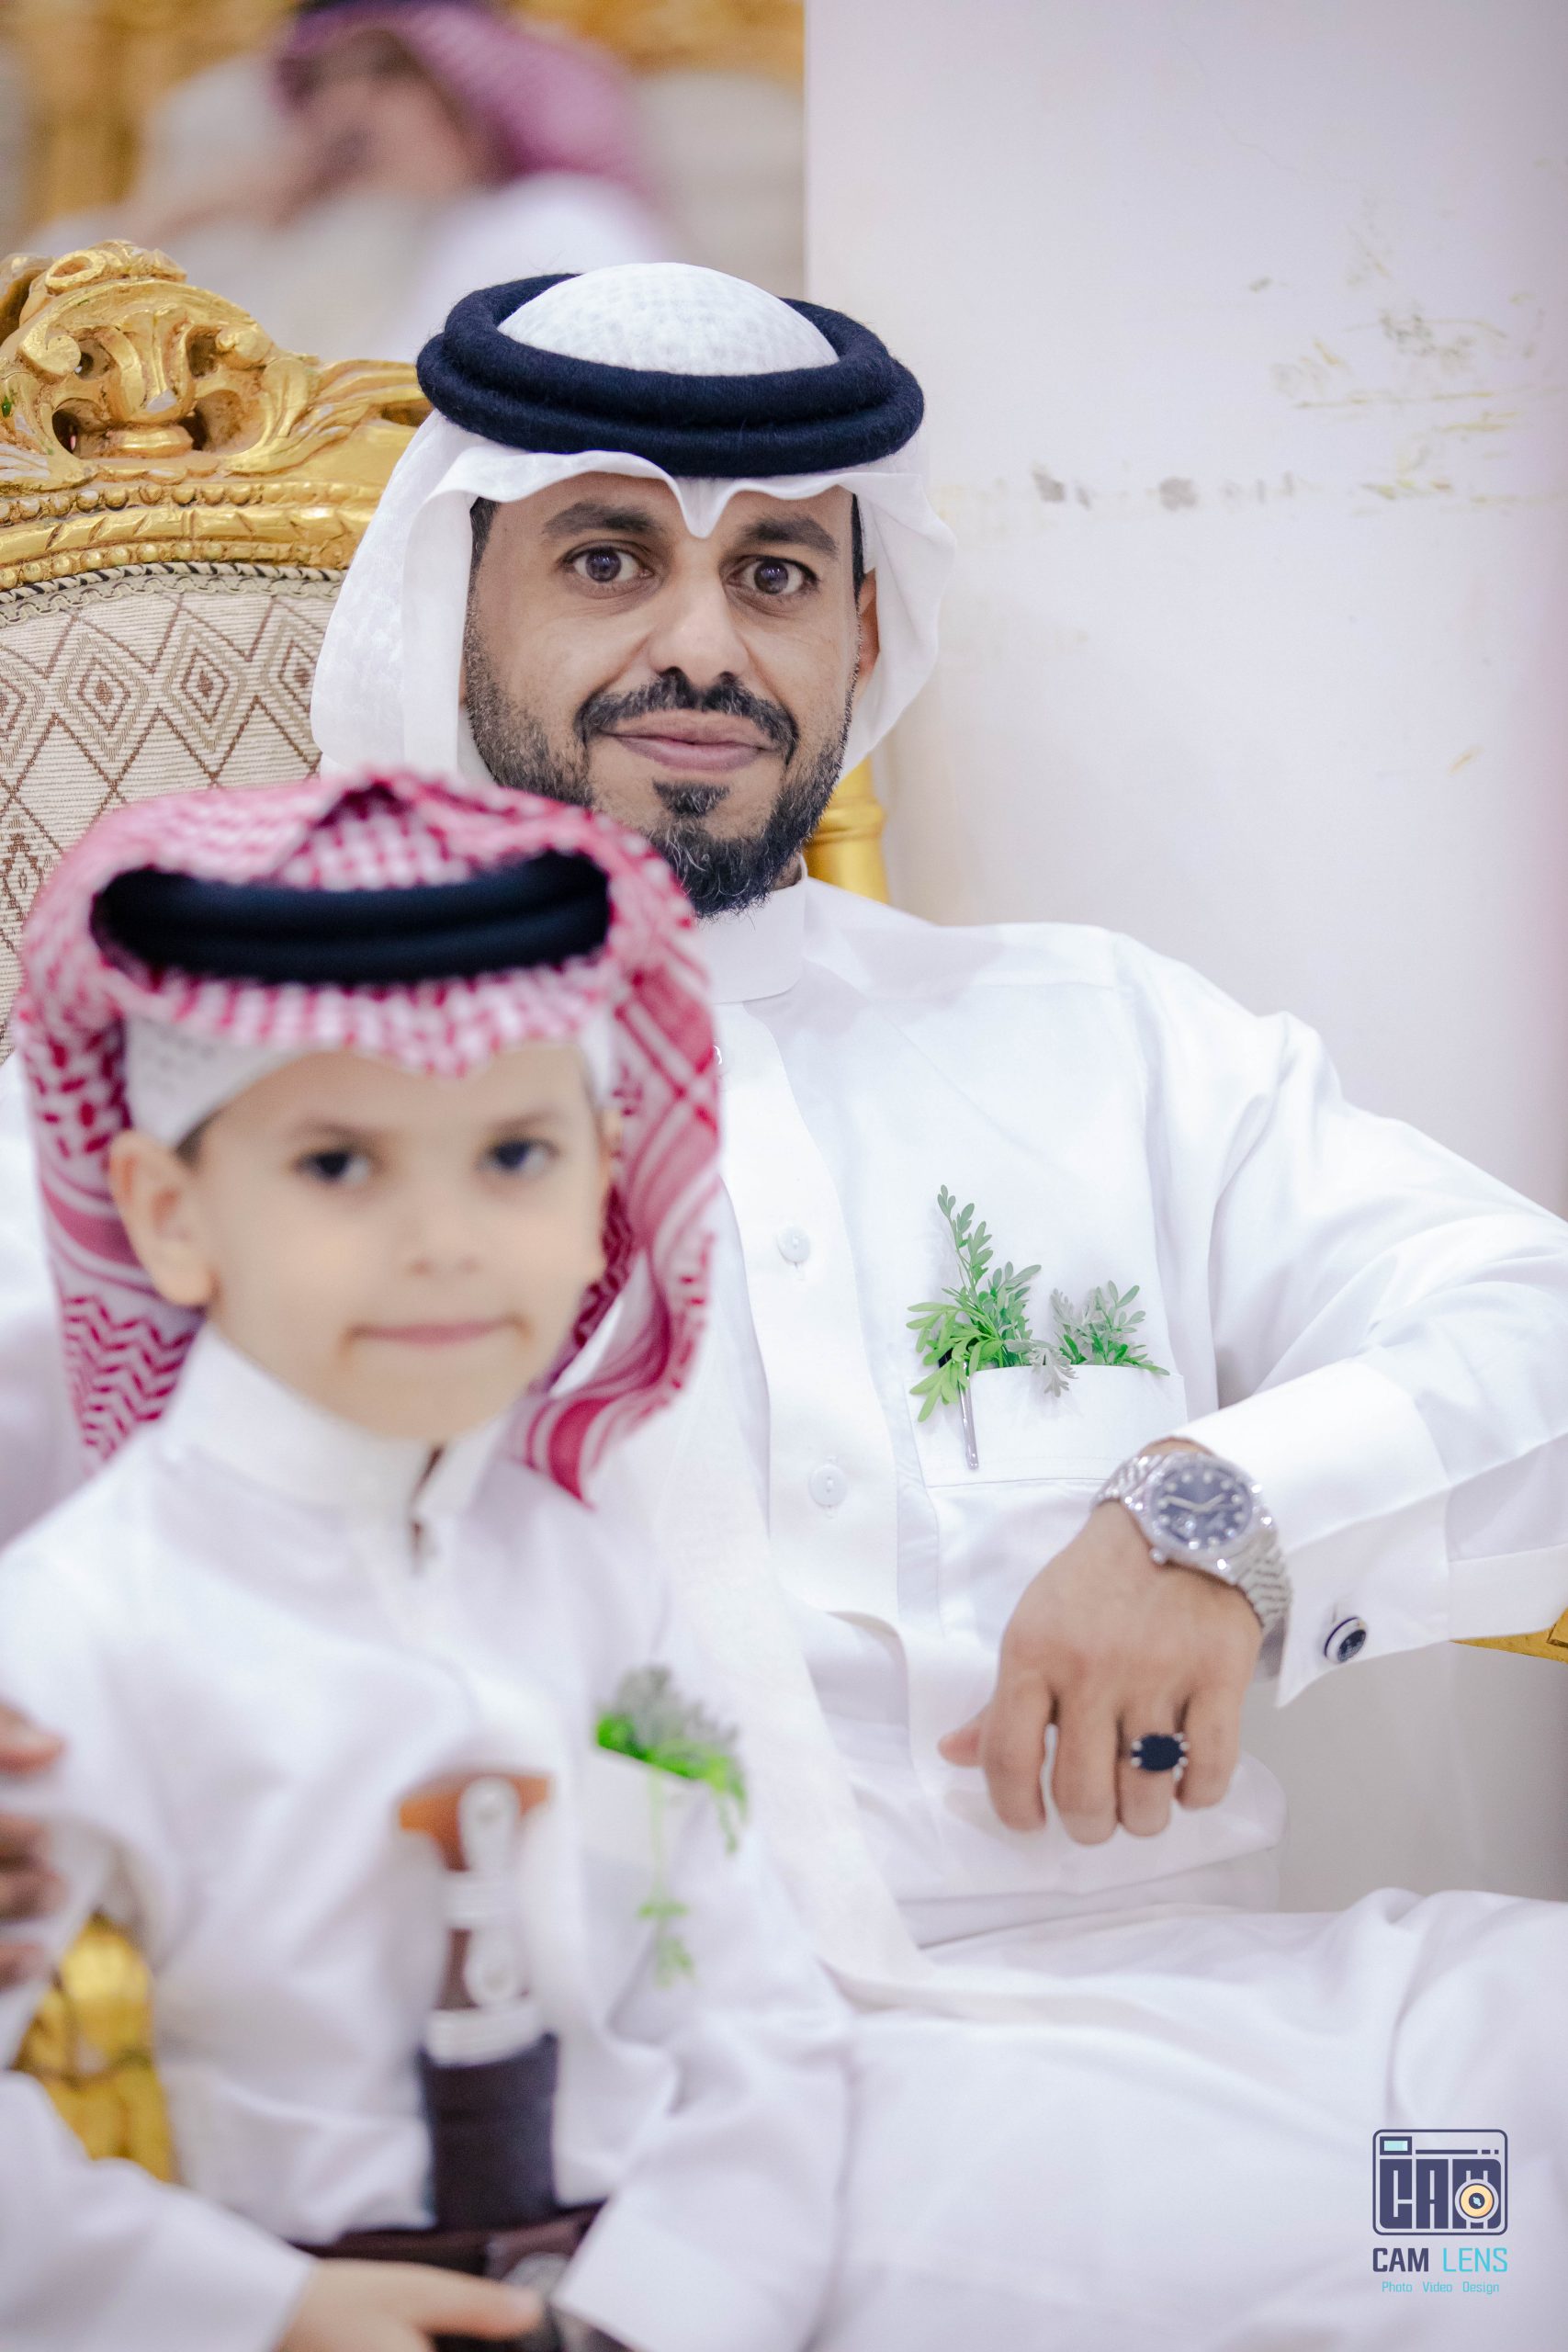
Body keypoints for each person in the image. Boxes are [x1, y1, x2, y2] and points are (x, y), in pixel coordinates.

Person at [3, 261, 1568, 2346]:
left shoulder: (1099, 1034)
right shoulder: (262, 1103)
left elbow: (1523, 1319)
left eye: (773, 573)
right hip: (723, 2112)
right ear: (446, 601)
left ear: (861, 627)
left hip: (1236, 2002)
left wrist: (1219, 1515)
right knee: (1451, 2266)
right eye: (604, 558)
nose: (700, 645)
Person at [0, 769, 848, 2352]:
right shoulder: (73, 1636)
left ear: (604, 1178)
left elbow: (740, 2002)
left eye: (514, 1157)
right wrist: (258, 2312)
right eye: (338, 1165)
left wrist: (668, 2310)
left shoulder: (597, 1584)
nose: (446, 1239)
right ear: (170, 1213)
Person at [32, 1, 675, 365]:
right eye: (324, 83)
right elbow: (40, 334)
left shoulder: (557, 222)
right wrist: (190, 210)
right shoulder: (280, 241)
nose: (345, 111)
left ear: (478, 94)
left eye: (389, 74)